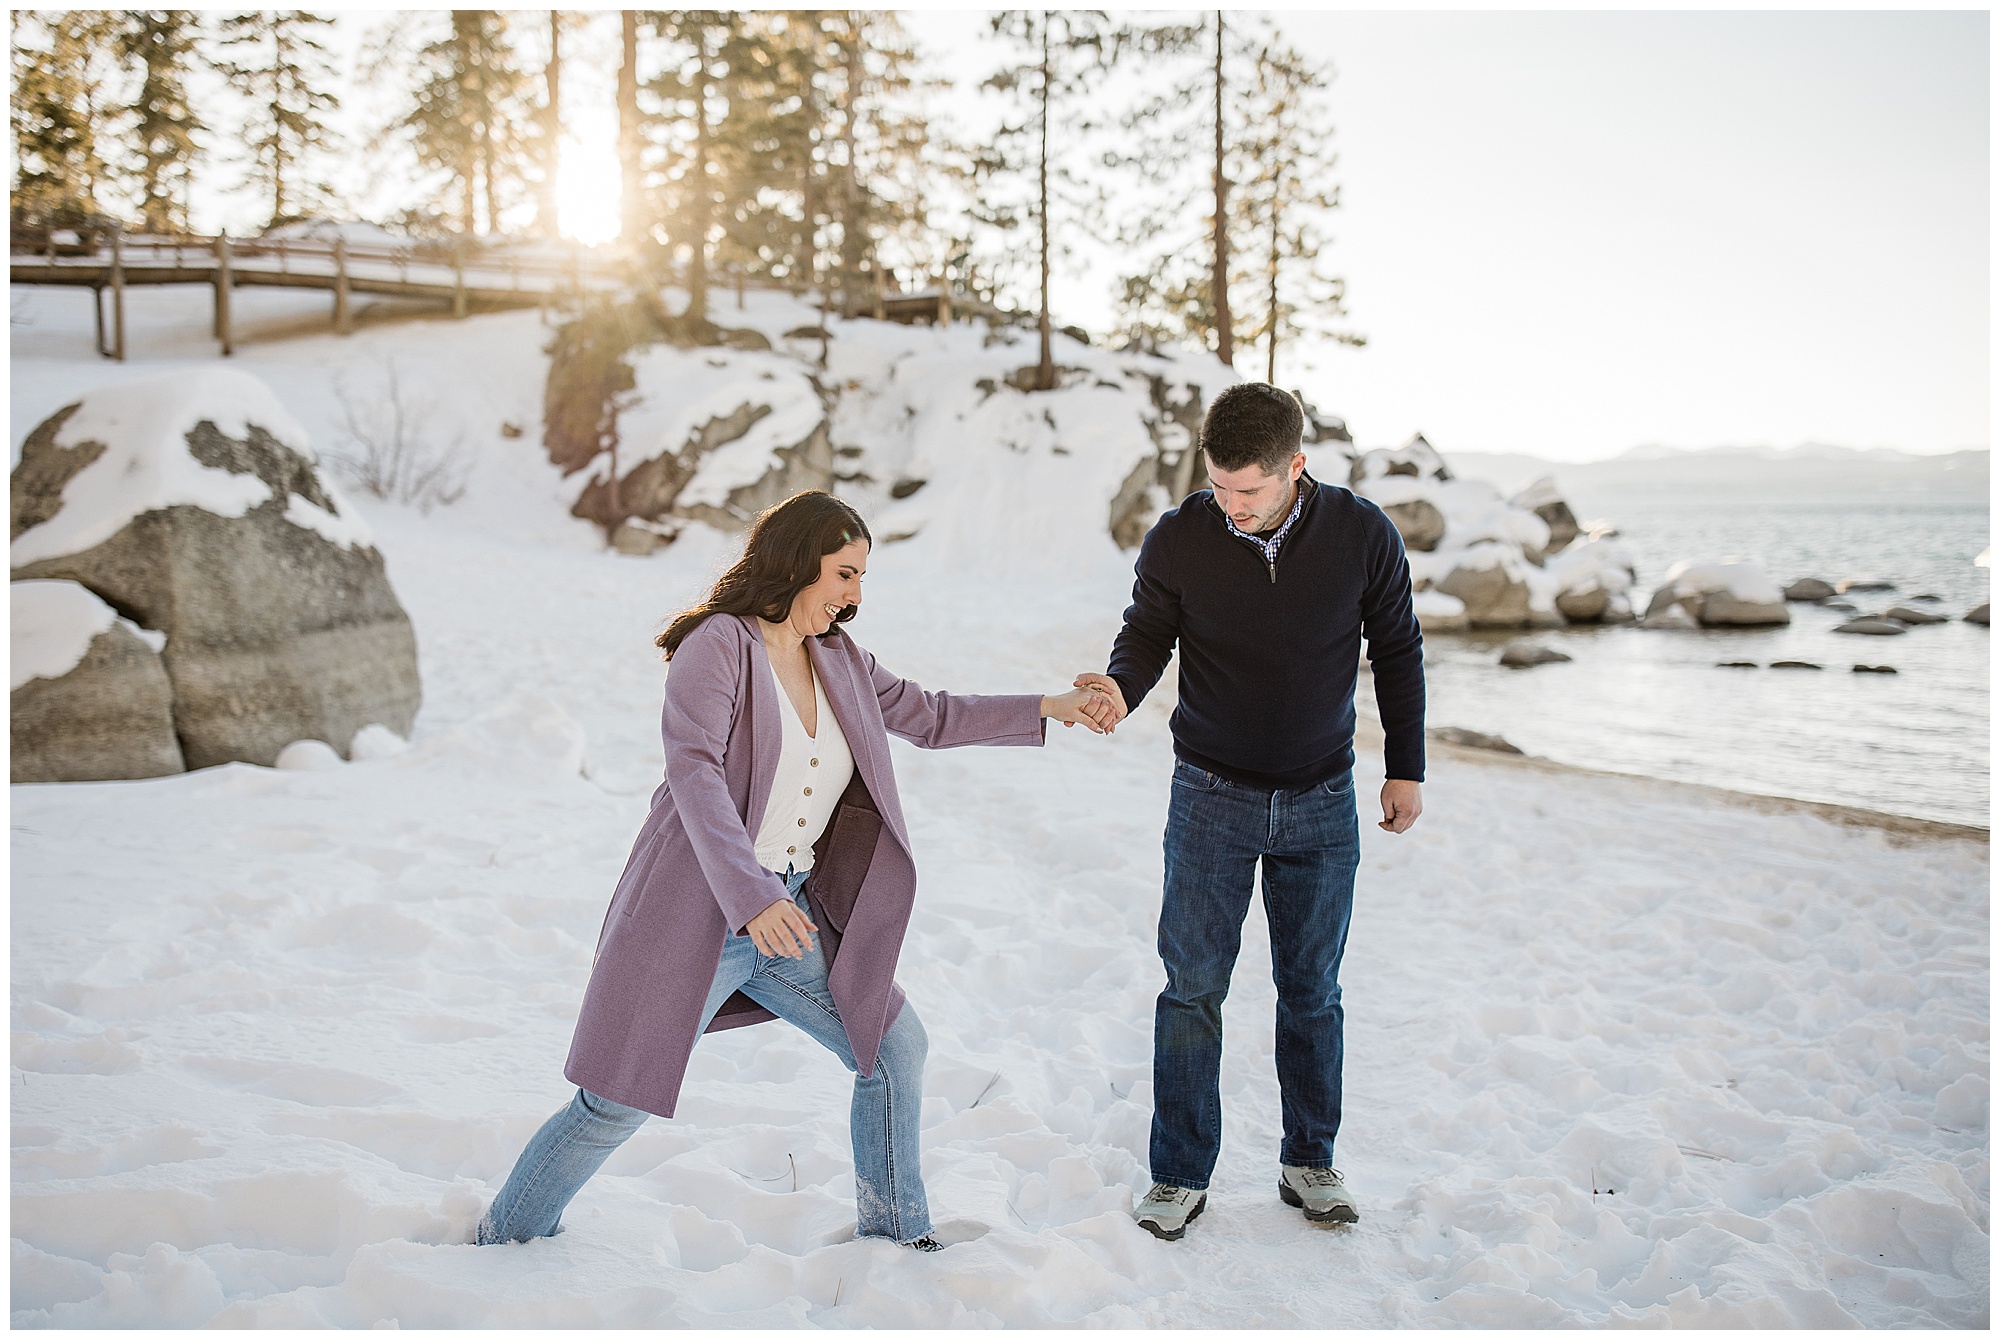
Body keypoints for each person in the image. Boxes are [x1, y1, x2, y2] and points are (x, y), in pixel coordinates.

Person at [477, 490, 1110, 1252]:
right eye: (844, 573)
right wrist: (749, 899)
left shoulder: (839, 659)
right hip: (697, 911)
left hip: (787, 914)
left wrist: (1053, 705)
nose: (855, 595)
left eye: (862, 578)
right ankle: (501, 1241)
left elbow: (932, 715)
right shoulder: (720, 645)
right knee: (614, 1102)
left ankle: (896, 1234)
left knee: (894, 1045)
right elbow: (695, 772)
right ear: (797, 561)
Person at [1071, 382, 1427, 1240]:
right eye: (1219, 487)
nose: (1230, 507)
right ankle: (1181, 1175)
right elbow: (1147, 632)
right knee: (1192, 989)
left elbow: (1399, 647)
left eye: (1250, 492)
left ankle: (1310, 1161)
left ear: (1296, 468)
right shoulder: (1181, 537)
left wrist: (1405, 769)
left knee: (1312, 991)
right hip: (1210, 797)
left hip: (1322, 799)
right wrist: (1118, 687)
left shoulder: (1362, 533)